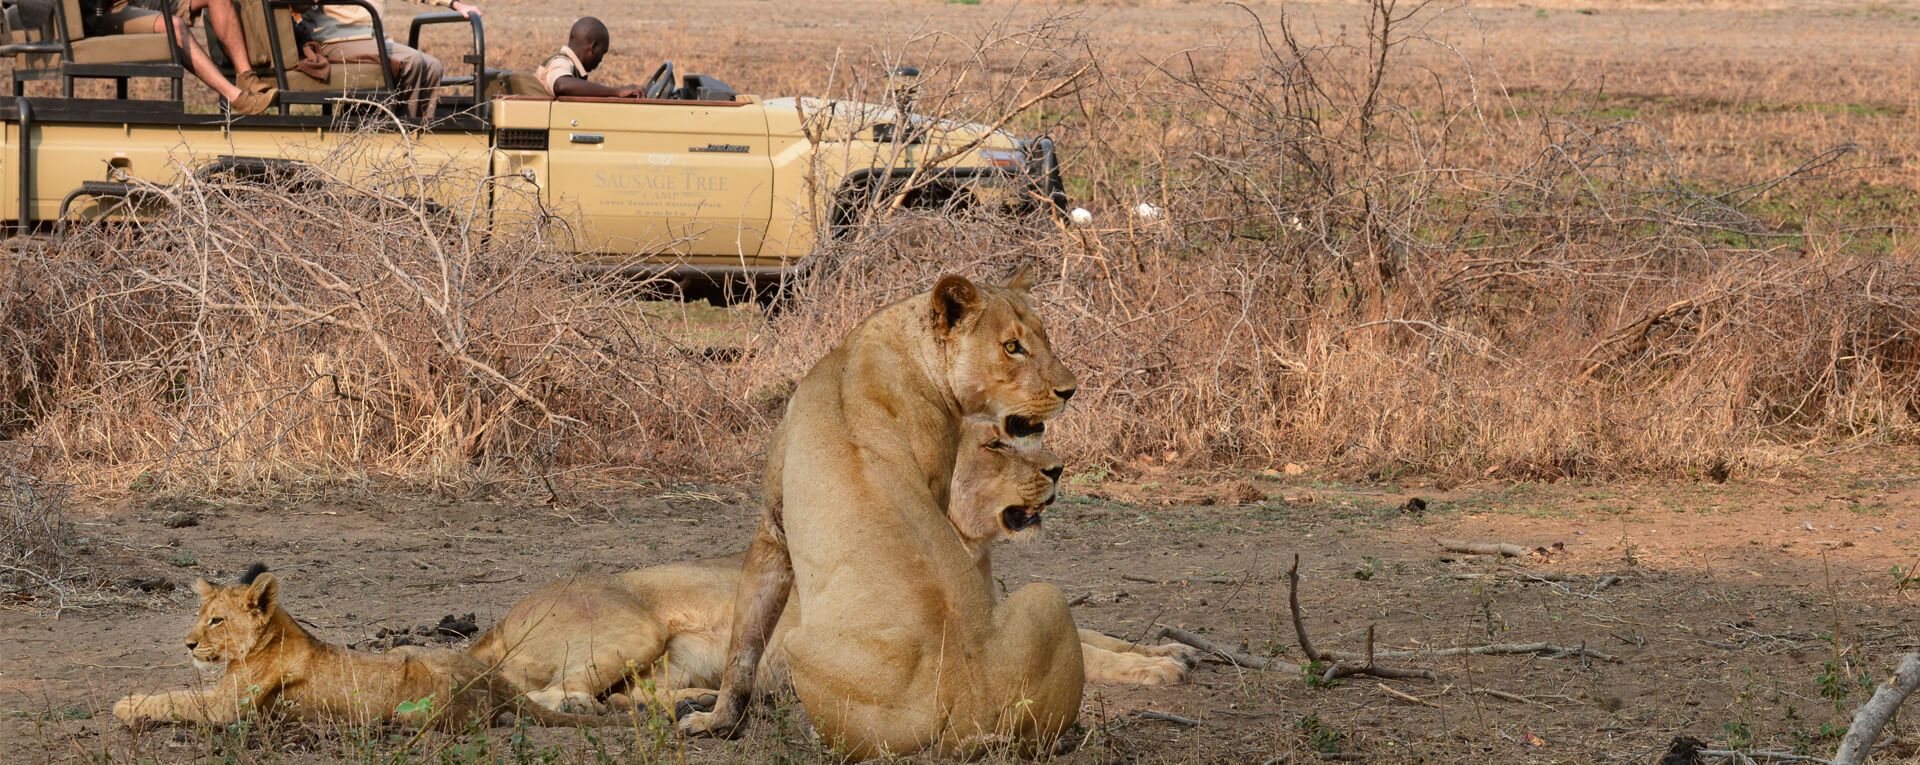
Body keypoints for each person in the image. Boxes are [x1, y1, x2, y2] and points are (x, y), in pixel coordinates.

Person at [297, 0, 480, 120]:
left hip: (373, 39)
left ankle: (421, 133)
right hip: (333, 40)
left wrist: (455, 4)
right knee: (412, 61)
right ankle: (399, 135)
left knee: (433, 66)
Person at [84, 0, 275, 113]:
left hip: (139, 1)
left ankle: (246, 77)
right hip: (106, 10)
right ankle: (236, 98)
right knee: (175, 26)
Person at [532, 17, 642, 99]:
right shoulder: (561, 62)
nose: (601, 60)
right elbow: (562, 85)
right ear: (593, 47)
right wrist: (617, 92)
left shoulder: (572, 68)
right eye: (601, 53)